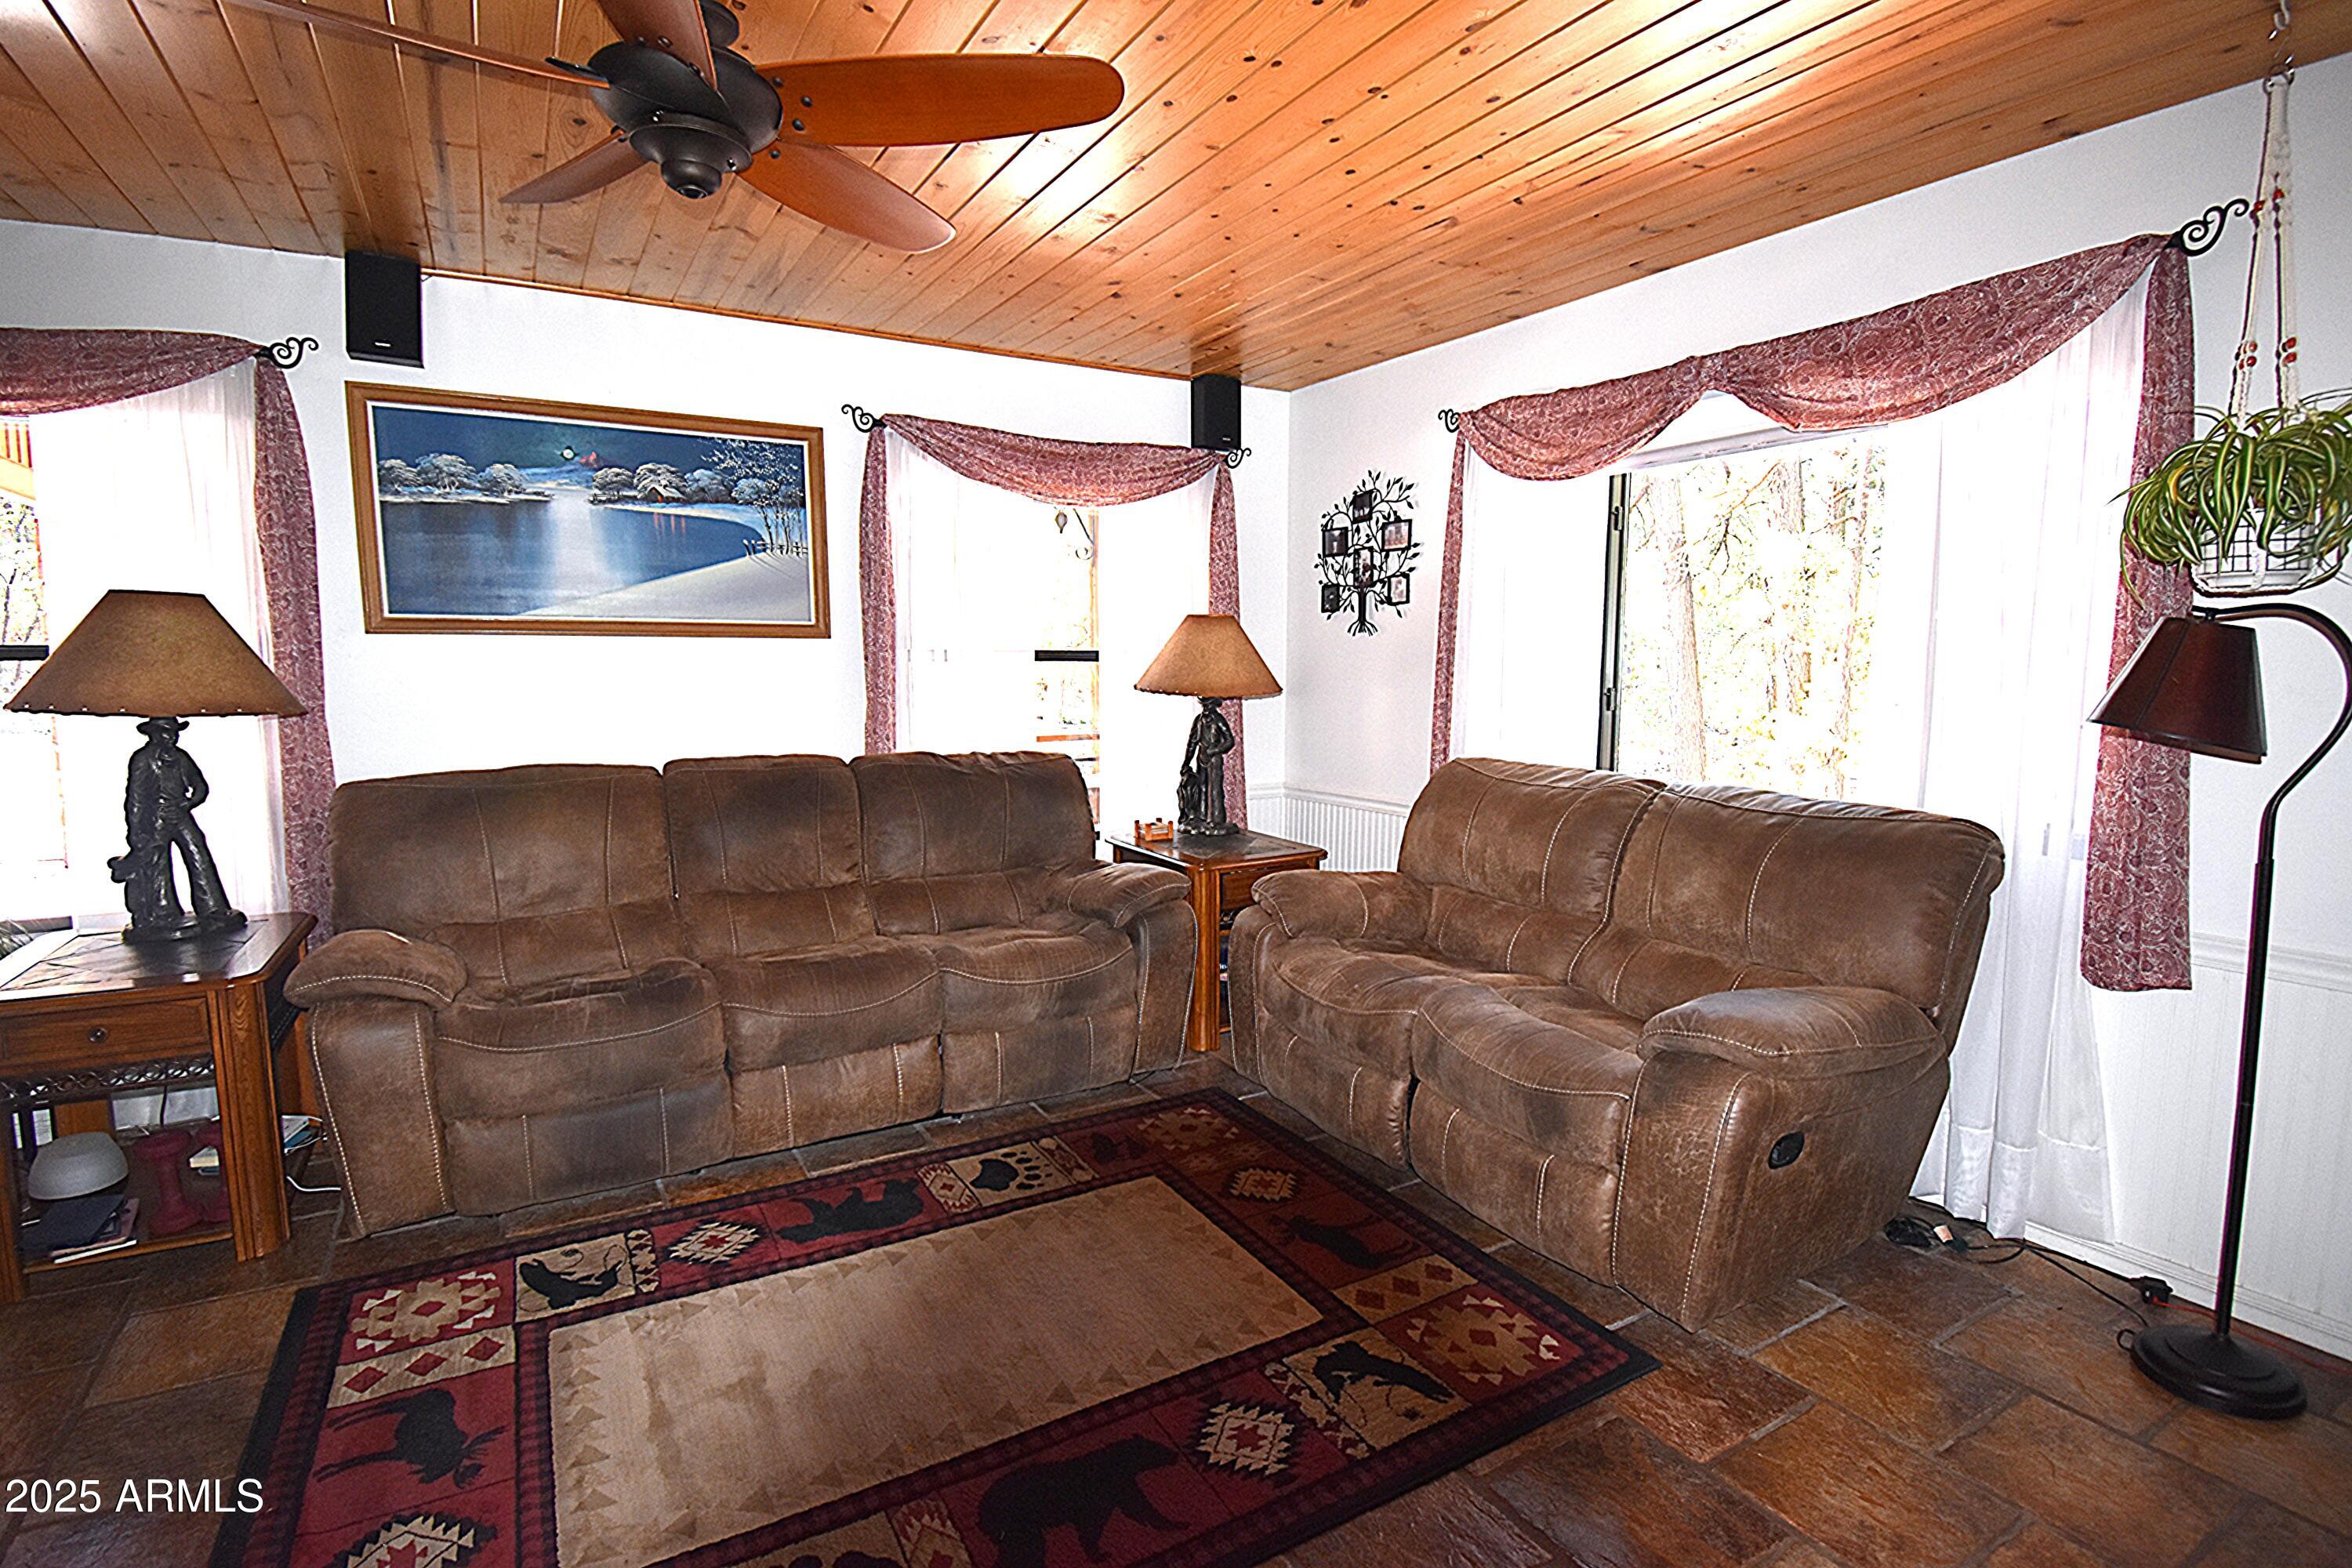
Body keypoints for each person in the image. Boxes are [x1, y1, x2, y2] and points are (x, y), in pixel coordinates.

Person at [107, 717, 242, 938]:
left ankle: (213, 908)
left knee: (198, 853)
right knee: (157, 863)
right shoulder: (142, 759)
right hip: (156, 817)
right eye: (166, 731)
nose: (171, 737)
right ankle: (162, 913)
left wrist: (188, 803)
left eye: (173, 732)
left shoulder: (181, 758)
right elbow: (136, 799)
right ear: (153, 733)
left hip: (180, 813)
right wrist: (136, 830)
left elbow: (200, 786)